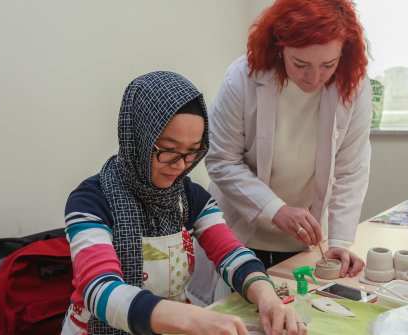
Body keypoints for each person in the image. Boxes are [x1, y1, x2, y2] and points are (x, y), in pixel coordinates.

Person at [61, 71, 305, 335]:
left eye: (192, 152)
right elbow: (99, 290)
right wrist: (191, 318)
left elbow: (232, 255)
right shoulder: (90, 202)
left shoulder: (190, 197)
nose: (179, 166)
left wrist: (267, 297)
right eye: (167, 150)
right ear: (138, 139)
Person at [190, 0, 371, 303]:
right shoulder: (242, 79)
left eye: (328, 65)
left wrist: (339, 240)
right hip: (241, 232)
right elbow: (222, 160)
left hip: (304, 243)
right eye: (301, 64)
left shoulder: (353, 84)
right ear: (279, 47)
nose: (314, 78)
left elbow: (352, 168)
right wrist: (276, 210)